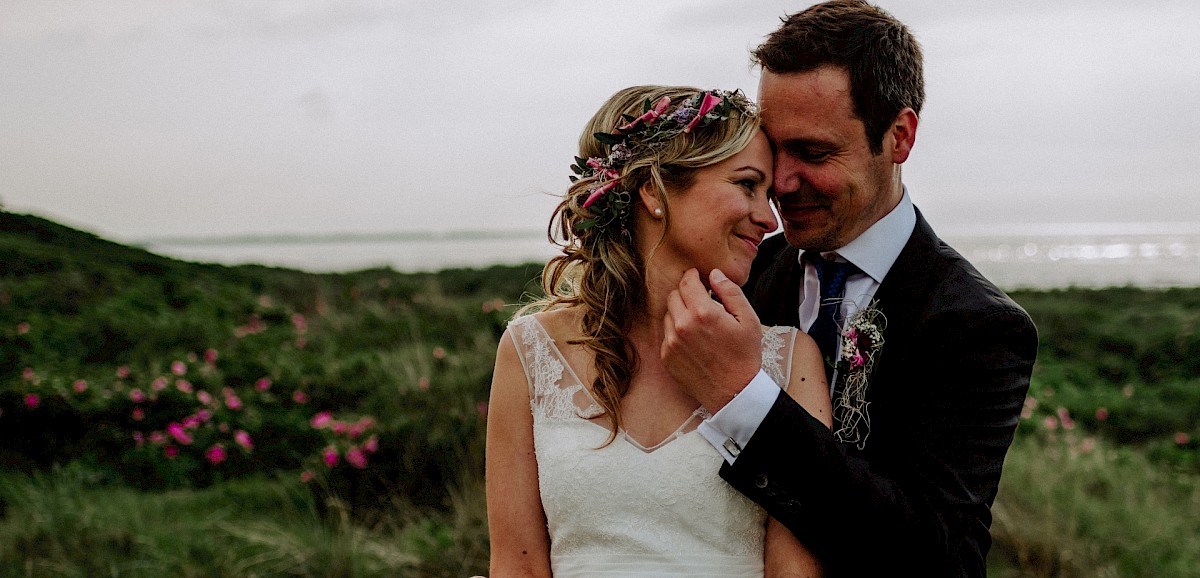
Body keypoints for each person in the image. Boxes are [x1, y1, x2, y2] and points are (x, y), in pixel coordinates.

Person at [658, 1, 1040, 576]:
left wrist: (745, 400)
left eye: (813, 153)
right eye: (772, 148)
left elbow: (935, 557)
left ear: (899, 137)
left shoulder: (977, 326)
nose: (780, 184)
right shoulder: (742, 276)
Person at [486, 85, 832, 576]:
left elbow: (794, 572)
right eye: (747, 185)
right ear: (655, 190)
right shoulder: (529, 351)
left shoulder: (789, 359)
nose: (768, 219)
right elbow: (516, 566)